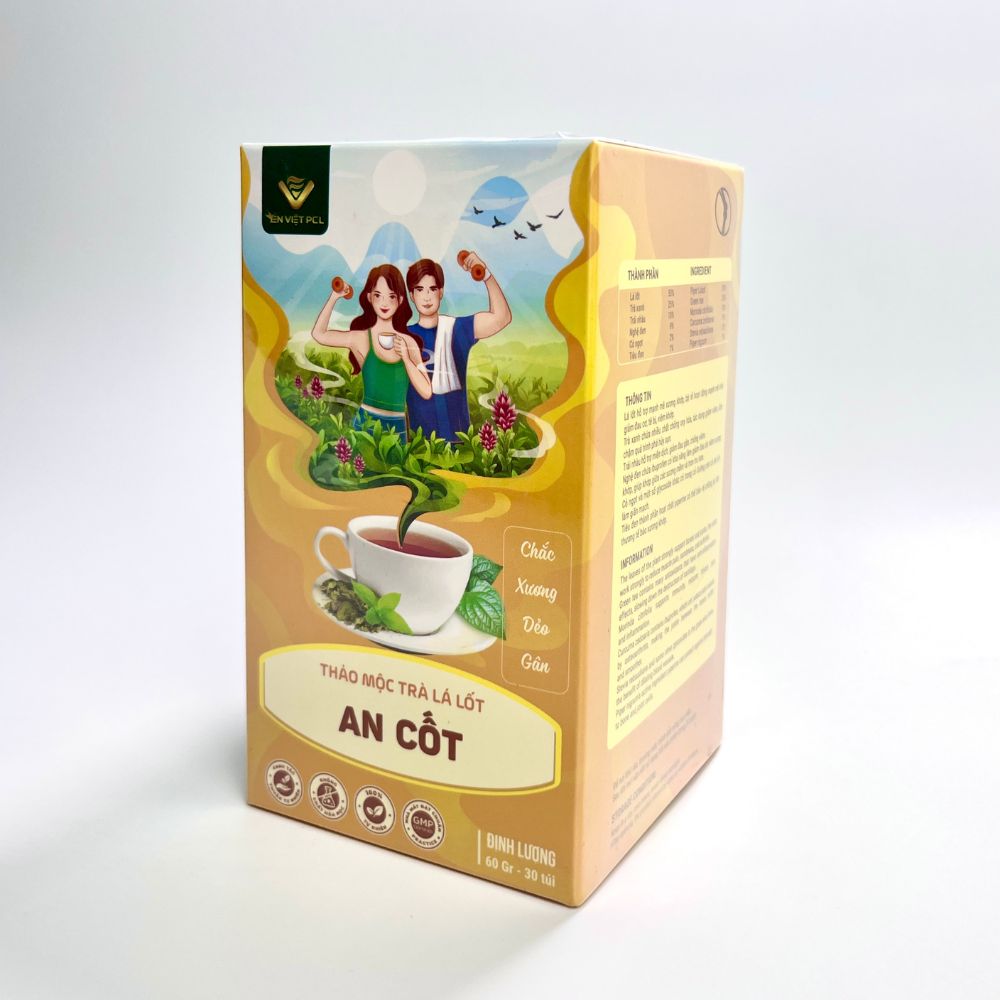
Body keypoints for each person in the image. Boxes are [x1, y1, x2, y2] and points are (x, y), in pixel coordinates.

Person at [311, 264, 431, 441]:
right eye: (378, 295)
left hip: (397, 427)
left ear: (400, 300)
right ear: (369, 297)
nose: (384, 303)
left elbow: (427, 391)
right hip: (366, 424)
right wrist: (334, 297)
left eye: (391, 296)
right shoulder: (360, 338)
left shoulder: (408, 342)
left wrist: (406, 358)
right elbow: (318, 334)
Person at [405, 252, 511, 442]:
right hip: (419, 444)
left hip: (460, 441)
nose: (427, 297)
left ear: (441, 292)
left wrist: (486, 274)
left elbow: (502, 317)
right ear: (412, 295)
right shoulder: (403, 337)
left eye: (432, 289)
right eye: (420, 289)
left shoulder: (458, 328)